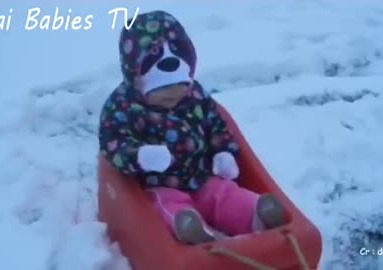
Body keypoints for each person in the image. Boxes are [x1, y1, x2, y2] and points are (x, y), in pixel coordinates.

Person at [98, 10, 285, 244]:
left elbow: (216, 125)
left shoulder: (194, 94)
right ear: (136, 79)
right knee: (166, 205)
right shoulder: (123, 107)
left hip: (202, 176)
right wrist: (141, 157)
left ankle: (257, 213)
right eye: (161, 93)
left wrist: (223, 153)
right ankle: (189, 228)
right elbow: (113, 142)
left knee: (223, 195)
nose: (174, 98)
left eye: (180, 87)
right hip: (159, 184)